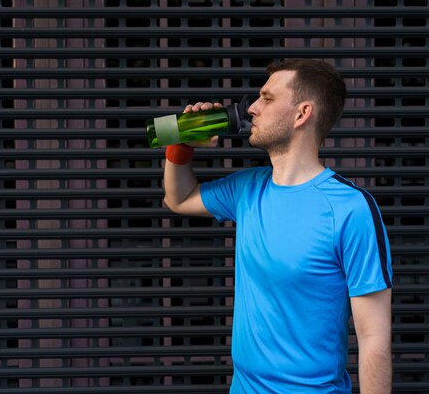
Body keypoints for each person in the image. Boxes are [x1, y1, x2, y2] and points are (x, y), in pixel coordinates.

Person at [162, 58, 393, 394]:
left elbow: (374, 341)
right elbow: (178, 198)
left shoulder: (350, 209)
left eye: (267, 99)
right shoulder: (248, 189)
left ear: (302, 114)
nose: (252, 108)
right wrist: (180, 141)